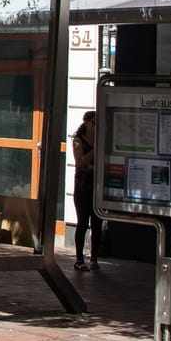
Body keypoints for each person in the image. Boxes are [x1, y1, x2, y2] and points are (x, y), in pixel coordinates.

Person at [71, 111, 102, 270]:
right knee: (82, 222)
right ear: (87, 123)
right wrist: (94, 149)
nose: (97, 127)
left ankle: (94, 258)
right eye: (94, 123)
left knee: (97, 222)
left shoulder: (102, 138)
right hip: (83, 184)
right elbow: (81, 162)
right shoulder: (78, 140)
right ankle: (79, 259)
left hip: (97, 184)